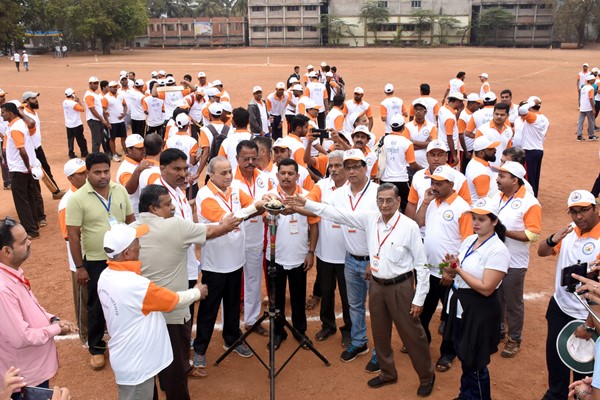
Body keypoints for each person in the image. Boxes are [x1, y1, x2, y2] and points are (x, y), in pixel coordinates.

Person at [295, 183, 435, 396]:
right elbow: (336, 213)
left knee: (412, 334)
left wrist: (419, 298)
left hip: (401, 287)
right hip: (377, 285)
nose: (384, 205)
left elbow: (422, 265)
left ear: (398, 201)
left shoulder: (409, 227)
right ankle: (387, 373)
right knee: (379, 331)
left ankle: (426, 376)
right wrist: (306, 203)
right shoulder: (370, 219)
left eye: (389, 200)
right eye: (381, 200)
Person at [134, 184, 239, 399]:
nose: (173, 207)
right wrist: (228, 224)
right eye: (167, 204)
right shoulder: (175, 226)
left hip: (142, 313)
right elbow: (212, 231)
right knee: (175, 369)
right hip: (172, 312)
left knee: (147, 368)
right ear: (154, 208)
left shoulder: (132, 229)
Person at [98, 222, 206, 399]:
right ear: (127, 253)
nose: (139, 246)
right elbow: (173, 300)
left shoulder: (105, 276)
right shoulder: (135, 285)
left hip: (128, 360)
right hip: (137, 366)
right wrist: (197, 292)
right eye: (136, 243)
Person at [193, 156, 267, 367]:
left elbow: (250, 203)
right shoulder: (205, 195)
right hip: (215, 264)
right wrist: (256, 206)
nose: (228, 176)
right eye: (223, 173)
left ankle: (232, 339)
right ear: (211, 174)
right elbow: (228, 220)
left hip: (235, 260)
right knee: (209, 309)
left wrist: (262, 201)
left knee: (233, 305)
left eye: (229, 171)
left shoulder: (234, 190)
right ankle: (200, 349)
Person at [66, 152, 134, 370]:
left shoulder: (120, 191)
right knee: (96, 304)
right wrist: (80, 267)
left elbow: (131, 221)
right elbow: (73, 235)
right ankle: (96, 348)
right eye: (97, 172)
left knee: (124, 300)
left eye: (106, 171)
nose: (103, 176)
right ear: (87, 173)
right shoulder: (77, 199)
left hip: (122, 258)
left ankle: (125, 342)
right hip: (95, 260)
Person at [0, 217, 76, 400]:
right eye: (23, 241)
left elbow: (30, 306)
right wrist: (56, 329)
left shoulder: (11, 274)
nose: (29, 242)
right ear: (7, 251)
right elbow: (22, 337)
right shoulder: (3, 289)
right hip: (25, 381)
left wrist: (52, 319)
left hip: (27, 373)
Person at [441, 197, 510, 400]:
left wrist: (458, 269)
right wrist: (451, 266)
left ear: (494, 221)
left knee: (475, 361)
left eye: (481, 219)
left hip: (480, 310)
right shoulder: (470, 240)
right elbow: (460, 269)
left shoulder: (498, 250)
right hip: (462, 306)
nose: (476, 223)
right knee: (464, 354)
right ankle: (467, 395)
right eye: (474, 218)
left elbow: (487, 288)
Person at [538, 190, 600, 400]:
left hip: (588, 315)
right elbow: (541, 252)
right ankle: (555, 394)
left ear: (596, 208)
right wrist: (551, 239)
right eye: (573, 212)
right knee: (556, 362)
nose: (579, 216)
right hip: (560, 308)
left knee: (584, 368)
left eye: (584, 210)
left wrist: (589, 325)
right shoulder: (570, 231)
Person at [413, 165, 473, 374]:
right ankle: (423, 344)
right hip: (428, 270)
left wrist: (451, 270)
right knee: (423, 312)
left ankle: (448, 354)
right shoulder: (431, 202)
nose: (434, 186)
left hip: (450, 275)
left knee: (450, 318)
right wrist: (425, 202)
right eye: (433, 182)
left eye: (439, 183)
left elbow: (468, 243)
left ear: (451, 184)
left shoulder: (462, 208)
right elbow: (418, 222)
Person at [267, 158, 319, 350]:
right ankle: (277, 333)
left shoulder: (306, 197)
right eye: (283, 173)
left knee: (298, 297)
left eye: (290, 173)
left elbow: (314, 226)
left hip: (299, 257)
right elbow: (264, 220)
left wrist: (311, 252)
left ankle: (300, 332)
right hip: (276, 257)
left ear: (297, 176)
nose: (286, 177)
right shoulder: (269, 197)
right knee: (276, 300)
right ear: (277, 175)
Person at [306, 150, 351, 345]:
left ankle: (349, 329)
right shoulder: (322, 186)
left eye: (337, 165)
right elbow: (308, 202)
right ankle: (328, 325)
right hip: (325, 254)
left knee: (348, 297)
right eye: (330, 166)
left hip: (348, 255)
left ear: (346, 167)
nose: (333, 169)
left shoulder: (354, 188)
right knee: (326, 292)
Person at [231, 140, 272, 335]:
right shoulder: (229, 180)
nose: (250, 162)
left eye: (253, 158)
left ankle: (251, 321)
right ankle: (230, 327)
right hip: (233, 238)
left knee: (253, 280)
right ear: (237, 158)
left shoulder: (265, 178)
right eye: (245, 158)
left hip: (256, 237)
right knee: (231, 282)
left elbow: (271, 203)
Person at [58, 158, 89, 344]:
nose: (86, 175)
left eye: (86, 171)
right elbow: (69, 236)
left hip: (94, 254)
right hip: (80, 259)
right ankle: (86, 337)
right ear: (70, 178)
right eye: (81, 174)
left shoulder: (89, 193)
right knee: (83, 299)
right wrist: (79, 265)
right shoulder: (66, 203)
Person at [1, 102, 43, 238]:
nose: (1, 115)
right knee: (29, 197)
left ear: (11, 113)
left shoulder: (15, 128)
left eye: (3, 112)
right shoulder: (19, 124)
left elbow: (22, 150)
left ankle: (30, 229)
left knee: (21, 201)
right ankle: (34, 224)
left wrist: (26, 166)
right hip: (24, 167)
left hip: (20, 169)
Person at [21, 91, 66, 200]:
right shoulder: (25, 115)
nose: (36, 100)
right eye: (33, 98)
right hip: (31, 148)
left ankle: (55, 191)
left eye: (35, 98)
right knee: (38, 171)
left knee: (45, 169)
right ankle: (50, 193)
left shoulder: (33, 112)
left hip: (37, 146)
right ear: (26, 101)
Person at [378, 115, 422, 213]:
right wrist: (423, 169)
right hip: (401, 180)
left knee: (386, 207)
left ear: (391, 127)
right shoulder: (407, 143)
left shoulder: (383, 140)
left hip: (385, 179)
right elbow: (413, 164)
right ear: (403, 127)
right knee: (406, 207)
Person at [519, 96, 549, 197]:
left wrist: (531, 103)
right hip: (539, 149)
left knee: (529, 178)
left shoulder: (533, 117)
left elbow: (522, 110)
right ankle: (534, 196)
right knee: (535, 177)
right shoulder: (545, 119)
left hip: (530, 151)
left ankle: (530, 198)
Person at [116, 134, 151, 218]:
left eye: (144, 147)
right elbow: (129, 190)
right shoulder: (125, 169)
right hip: (134, 212)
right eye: (139, 149)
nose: (143, 150)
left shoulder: (140, 161)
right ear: (129, 150)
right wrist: (137, 170)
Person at [474, 102, 512, 168]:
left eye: (502, 115)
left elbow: (508, 151)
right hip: (486, 168)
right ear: (493, 113)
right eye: (496, 114)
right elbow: (477, 151)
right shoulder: (482, 130)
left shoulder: (509, 130)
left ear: (507, 116)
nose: (499, 117)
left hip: (502, 168)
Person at [465, 136, 499, 201]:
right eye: (491, 149)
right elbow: (484, 201)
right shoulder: (481, 173)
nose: (495, 150)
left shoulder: (475, 161)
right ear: (481, 153)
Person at [102, 81, 128, 162]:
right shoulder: (106, 98)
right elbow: (104, 111)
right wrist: (107, 122)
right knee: (112, 139)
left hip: (121, 121)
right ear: (109, 88)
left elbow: (125, 105)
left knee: (124, 137)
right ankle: (114, 155)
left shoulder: (120, 96)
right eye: (113, 87)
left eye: (116, 87)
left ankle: (127, 153)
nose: (115, 88)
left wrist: (124, 113)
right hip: (112, 122)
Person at [85, 77, 111, 153]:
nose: (96, 85)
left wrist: (104, 114)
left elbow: (98, 107)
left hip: (97, 120)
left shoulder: (94, 94)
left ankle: (97, 154)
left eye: (97, 83)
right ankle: (95, 156)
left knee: (99, 139)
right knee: (96, 140)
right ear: (90, 84)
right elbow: (92, 109)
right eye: (94, 83)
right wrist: (102, 119)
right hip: (94, 120)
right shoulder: (89, 95)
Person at [63, 88, 89, 159]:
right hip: (76, 124)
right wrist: (79, 101)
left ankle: (71, 153)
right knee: (81, 139)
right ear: (72, 95)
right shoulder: (73, 104)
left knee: (70, 140)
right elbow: (83, 109)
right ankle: (84, 152)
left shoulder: (64, 102)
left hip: (68, 124)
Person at [577, 74, 599, 142]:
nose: (594, 81)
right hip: (589, 108)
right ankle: (591, 135)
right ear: (590, 80)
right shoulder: (591, 88)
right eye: (593, 80)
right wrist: (593, 108)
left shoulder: (583, 87)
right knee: (591, 121)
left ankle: (579, 136)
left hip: (582, 107)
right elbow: (591, 98)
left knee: (581, 121)